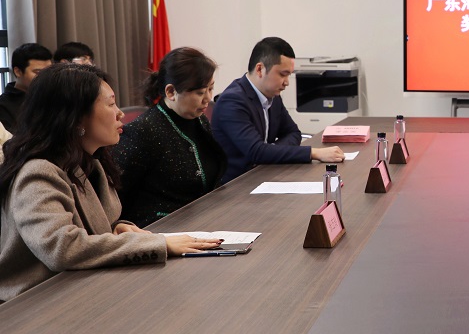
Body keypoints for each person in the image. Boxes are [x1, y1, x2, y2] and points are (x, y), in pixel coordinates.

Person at [0, 63, 222, 302]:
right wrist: (159, 244)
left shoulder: (90, 161)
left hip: (81, 286)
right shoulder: (38, 173)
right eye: (110, 104)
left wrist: (118, 226)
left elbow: (92, 225)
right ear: (75, 117)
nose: (120, 113)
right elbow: (62, 248)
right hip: (35, 301)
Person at [112, 47, 228, 228]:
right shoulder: (143, 131)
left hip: (203, 220)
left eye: (210, 89)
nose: (207, 99)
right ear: (171, 92)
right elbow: (117, 198)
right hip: (160, 228)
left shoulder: (199, 120)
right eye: (200, 92)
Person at [212, 37, 344, 184]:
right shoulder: (232, 101)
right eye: (282, 74)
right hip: (237, 186)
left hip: (266, 176)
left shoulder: (273, 96)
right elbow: (256, 151)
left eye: (289, 75)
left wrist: (270, 150)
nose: (286, 82)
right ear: (260, 69)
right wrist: (313, 153)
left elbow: (293, 133)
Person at [0, 42, 52, 132]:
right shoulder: (3, 106)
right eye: (38, 72)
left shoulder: (54, 97)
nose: (45, 76)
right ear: (18, 71)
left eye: (49, 71)